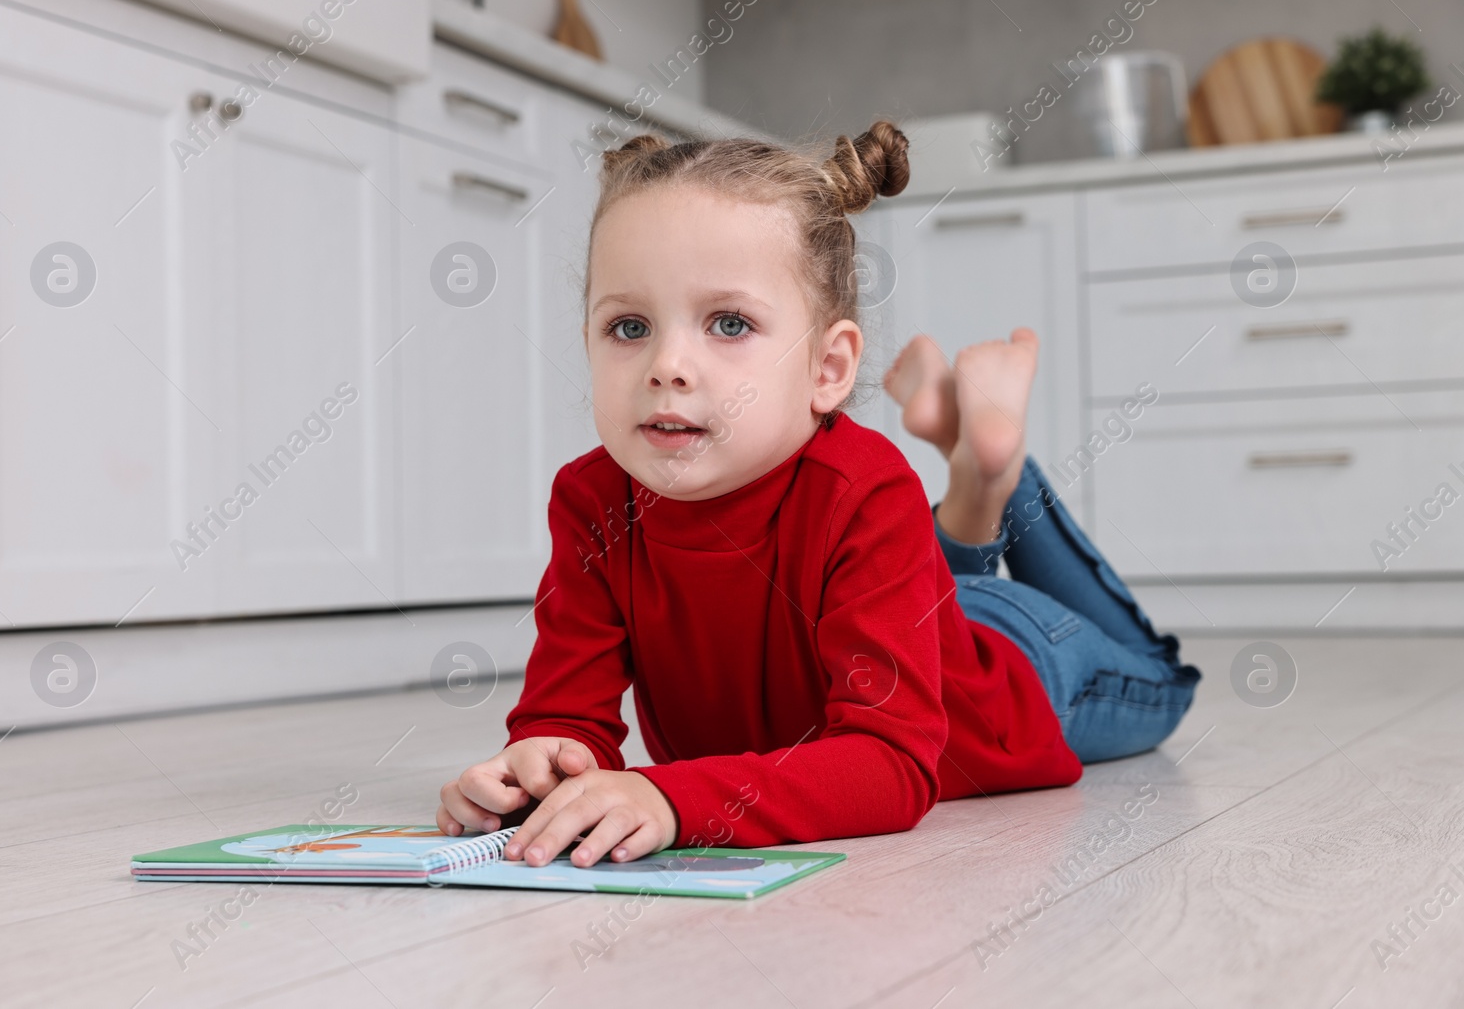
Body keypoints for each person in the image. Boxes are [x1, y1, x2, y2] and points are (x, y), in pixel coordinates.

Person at [435, 122, 1201, 868]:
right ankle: (976, 476)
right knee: (937, 584)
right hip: (901, 608)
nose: (667, 364)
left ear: (828, 369)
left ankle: (998, 474)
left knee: (1159, 673)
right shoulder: (591, 499)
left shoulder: (867, 489)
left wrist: (670, 799)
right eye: (628, 326)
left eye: (728, 323)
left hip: (1023, 668)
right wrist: (536, 770)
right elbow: (567, 715)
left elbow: (893, 767)